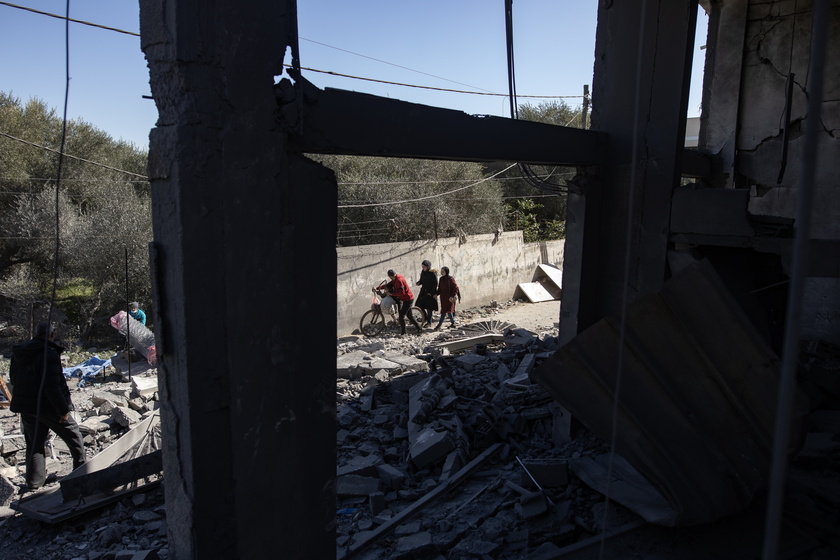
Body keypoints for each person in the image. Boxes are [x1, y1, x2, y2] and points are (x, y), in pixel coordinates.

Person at [9, 322, 86, 492]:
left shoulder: (20, 352)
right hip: (47, 406)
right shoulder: (49, 354)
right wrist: (63, 409)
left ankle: (34, 482)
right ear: (52, 335)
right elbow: (52, 385)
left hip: (26, 406)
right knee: (74, 435)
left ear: (36, 334)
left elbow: (13, 380)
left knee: (34, 443)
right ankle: (82, 472)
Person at [387, 269, 422, 335]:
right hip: (406, 298)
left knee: (401, 316)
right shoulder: (396, 278)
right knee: (410, 316)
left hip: (408, 299)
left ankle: (404, 332)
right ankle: (419, 329)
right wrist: (378, 288)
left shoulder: (399, 280)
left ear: (390, 276)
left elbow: (402, 292)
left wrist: (392, 294)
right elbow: (388, 285)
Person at [434, 266, 461, 330]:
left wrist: (452, 296)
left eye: (443, 271)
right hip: (443, 298)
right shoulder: (441, 279)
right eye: (441, 271)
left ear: (446, 272)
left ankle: (439, 325)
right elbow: (440, 289)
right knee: (448, 311)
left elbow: (456, 288)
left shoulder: (450, 279)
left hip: (449, 298)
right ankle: (453, 323)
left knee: (445, 311)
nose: (441, 273)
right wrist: (436, 294)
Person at [415, 260, 439, 328]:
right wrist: (419, 282)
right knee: (419, 305)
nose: (423, 268)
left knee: (429, 308)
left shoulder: (432, 273)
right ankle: (425, 317)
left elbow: (435, 284)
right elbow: (422, 280)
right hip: (423, 292)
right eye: (422, 266)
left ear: (428, 266)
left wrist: (431, 293)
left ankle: (429, 322)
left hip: (429, 293)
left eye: (424, 266)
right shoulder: (423, 272)